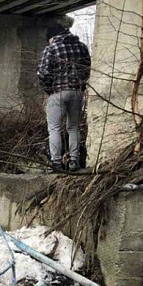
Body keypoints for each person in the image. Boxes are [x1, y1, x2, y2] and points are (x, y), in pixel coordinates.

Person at [37, 23, 91, 173]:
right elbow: (87, 68)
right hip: (77, 92)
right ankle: (74, 160)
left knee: (54, 128)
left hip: (58, 92)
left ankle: (56, 163)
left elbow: (43, 73)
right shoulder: (82, 47)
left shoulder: (52, 48)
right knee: (73, 127)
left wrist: (49, 89)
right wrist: (80, 84)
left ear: (52, 37)